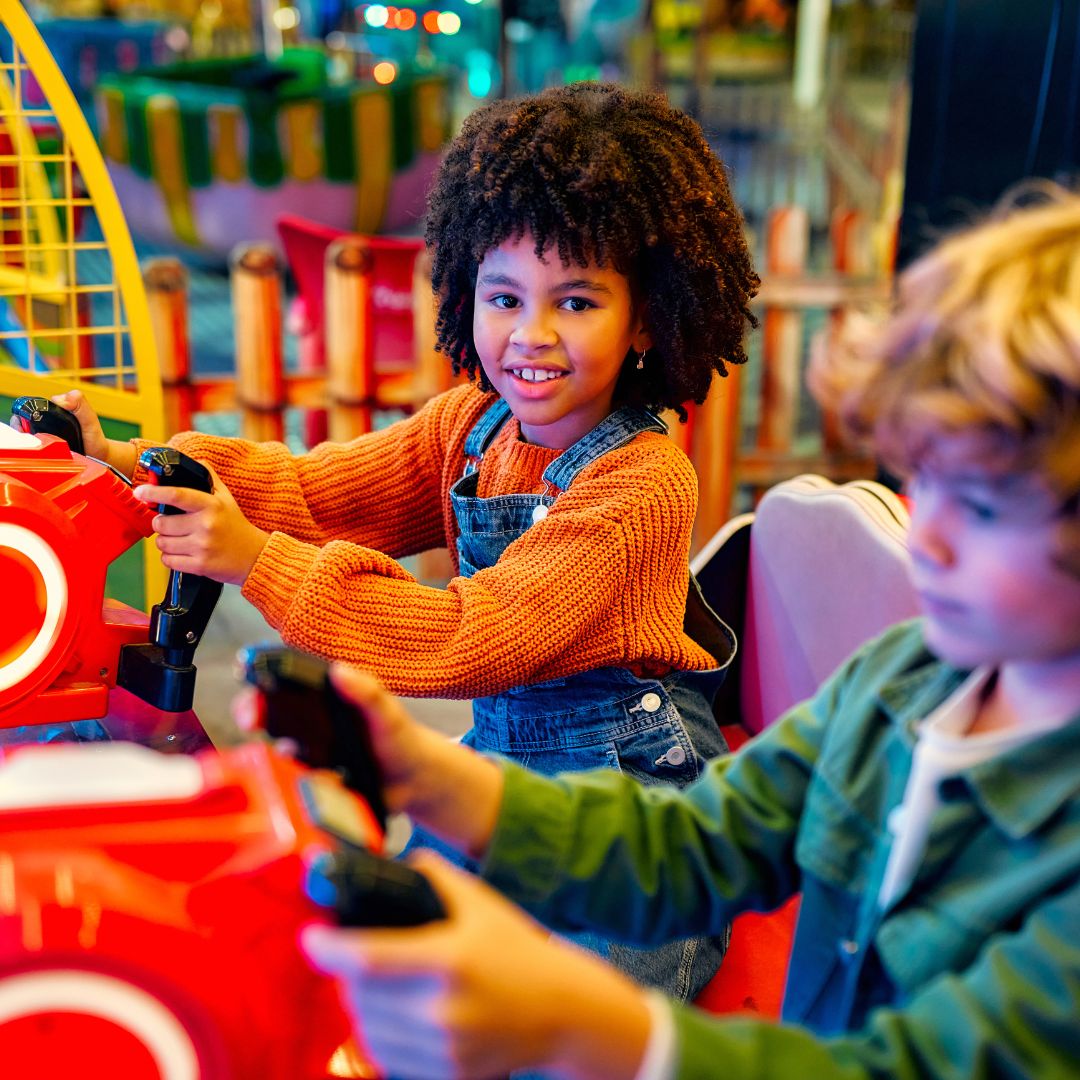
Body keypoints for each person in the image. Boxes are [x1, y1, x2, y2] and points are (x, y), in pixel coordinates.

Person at [299, 188, 1080, 1079]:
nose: (926, 537)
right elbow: (702, 841)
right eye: (924, 482)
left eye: (980, 506)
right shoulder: (907, 679)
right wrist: (426, 771)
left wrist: (581, 1027)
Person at [58, 82, 759, 999]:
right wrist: (139, 462)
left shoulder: (640, 482)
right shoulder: (471, 425)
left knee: (571, 1021)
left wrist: (254, 561)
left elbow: (467, 637)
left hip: (629, 792)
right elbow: (317, 494)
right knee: (388, 968)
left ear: (646, 320)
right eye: (504, 296)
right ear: (468, 286)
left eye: (577, 302)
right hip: (507, 763)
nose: (531, 336)